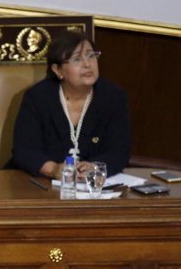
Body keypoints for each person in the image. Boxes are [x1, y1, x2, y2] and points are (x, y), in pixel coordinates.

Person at [10, 30, 131, 178]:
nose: (87, 64)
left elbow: (119, 152)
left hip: (92, 189)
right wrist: (54, 169)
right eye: (76, 59)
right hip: (39, 185)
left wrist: (93, 167)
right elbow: (24, 150)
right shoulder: (38, 97)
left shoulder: (113, 97)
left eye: (91, 55)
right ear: (57, 70)